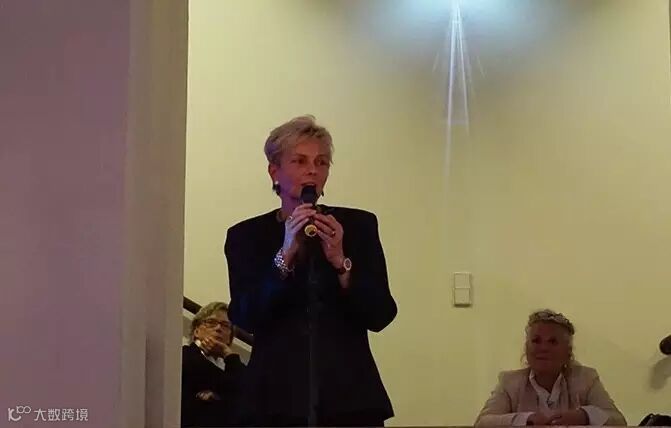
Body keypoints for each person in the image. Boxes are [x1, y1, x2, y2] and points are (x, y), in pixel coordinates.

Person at [224, 115, 397, 427]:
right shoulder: (246, 236)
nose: (312, 170)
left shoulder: (357, 226)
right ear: (274, 171)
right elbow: (245, 315)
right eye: (300, 161)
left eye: (321, 162)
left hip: (351, 399)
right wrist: (284, 256)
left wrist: (341, 262)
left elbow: (381, 314)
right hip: (273, 401)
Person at [475, 309, 626, 426]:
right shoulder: (509, 382)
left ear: (568, 351)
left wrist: (585, 416)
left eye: (553, 342)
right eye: (536, 341)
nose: (543, 348)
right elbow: (483, 423)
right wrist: (526, 419)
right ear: (526, 348)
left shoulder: (586, 379)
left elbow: (618, 421)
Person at [181, 302, 246, 427]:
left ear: (230, 338)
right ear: (197, 331)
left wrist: (227, 354)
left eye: (225, 325)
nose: (218, 328)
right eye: (211, 322)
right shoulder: (184, 356)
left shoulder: (233, 364)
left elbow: (247, 393)